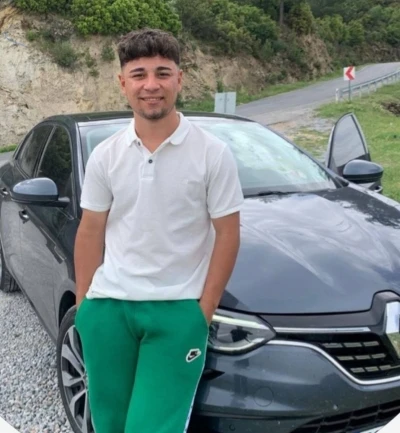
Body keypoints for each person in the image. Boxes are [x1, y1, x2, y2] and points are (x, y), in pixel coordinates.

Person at [73, 28, 244, 433]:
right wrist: (84, 308)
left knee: (153, 427)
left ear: (179, 79)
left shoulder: (212, 153)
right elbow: (91, 230)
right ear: (123, 83)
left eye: (162, 73)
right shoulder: (105, 155)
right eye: (139, 74)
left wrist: (202, 313)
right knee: (109, 425)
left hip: (177, 312)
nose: (151, 85)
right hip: (108, 309)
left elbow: (229, 233)